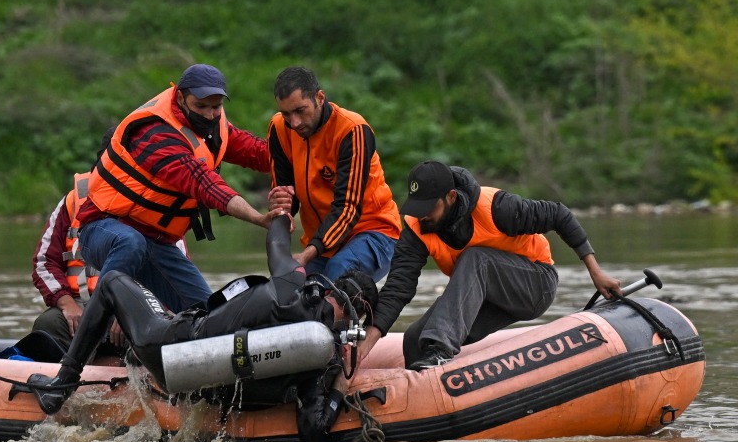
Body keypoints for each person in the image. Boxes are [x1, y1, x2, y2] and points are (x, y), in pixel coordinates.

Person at [25, 214, 380, 442]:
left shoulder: (291, 284)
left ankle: (62, 387)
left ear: (331, 288)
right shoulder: (323, 356)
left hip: (171, 352)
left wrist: (280, 214)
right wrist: (339, 390)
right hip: (216, 392)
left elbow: (276, 244)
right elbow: (313, 429)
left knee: (113, 281)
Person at [362, 160, 623, 370]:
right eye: (417, 207)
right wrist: (365, 345)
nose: (422, 215)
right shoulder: (417, 227)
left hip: (534, 284)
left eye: (429, 208)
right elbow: (397, 289)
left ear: (451, 197)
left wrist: (596, 273)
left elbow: (559, 214)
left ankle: (440, 353)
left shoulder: (497, 208)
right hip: (485, 297)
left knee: (476, 258)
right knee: (415, 339)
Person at [75, 63, 276, 313]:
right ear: (180, 98)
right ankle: (86, 339)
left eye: (216, 106)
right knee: (131, 242)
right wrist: (258, 218)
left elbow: (257, 152)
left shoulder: (214, 124)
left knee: (210, 314)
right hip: (104, 230)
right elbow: (204, 183)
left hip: (157, 242)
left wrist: (306, 155)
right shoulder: (155, 134)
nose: (210, 114)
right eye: (201, 106)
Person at [267, 66, 401, 282]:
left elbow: (347, 208)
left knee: (337, 275)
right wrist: (280, 205)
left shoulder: (353, 130)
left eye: (300, 110)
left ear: (320, 98)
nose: (295, 123)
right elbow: (285, 197)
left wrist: (307, 255)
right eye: (286, 114)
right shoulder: (279, 128)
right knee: (293, 292)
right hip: (321, 243)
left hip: (373, 232)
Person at [31, 171, 186, 352]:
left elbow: (174, 279)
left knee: (159, 332)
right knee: (48, 323)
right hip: (80, 311)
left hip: (138, 313)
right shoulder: (73, 201)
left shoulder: (159, 203)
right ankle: (67, 369)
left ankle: (129, 369)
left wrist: (134, 310)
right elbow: (44, 262)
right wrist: (67, 304)